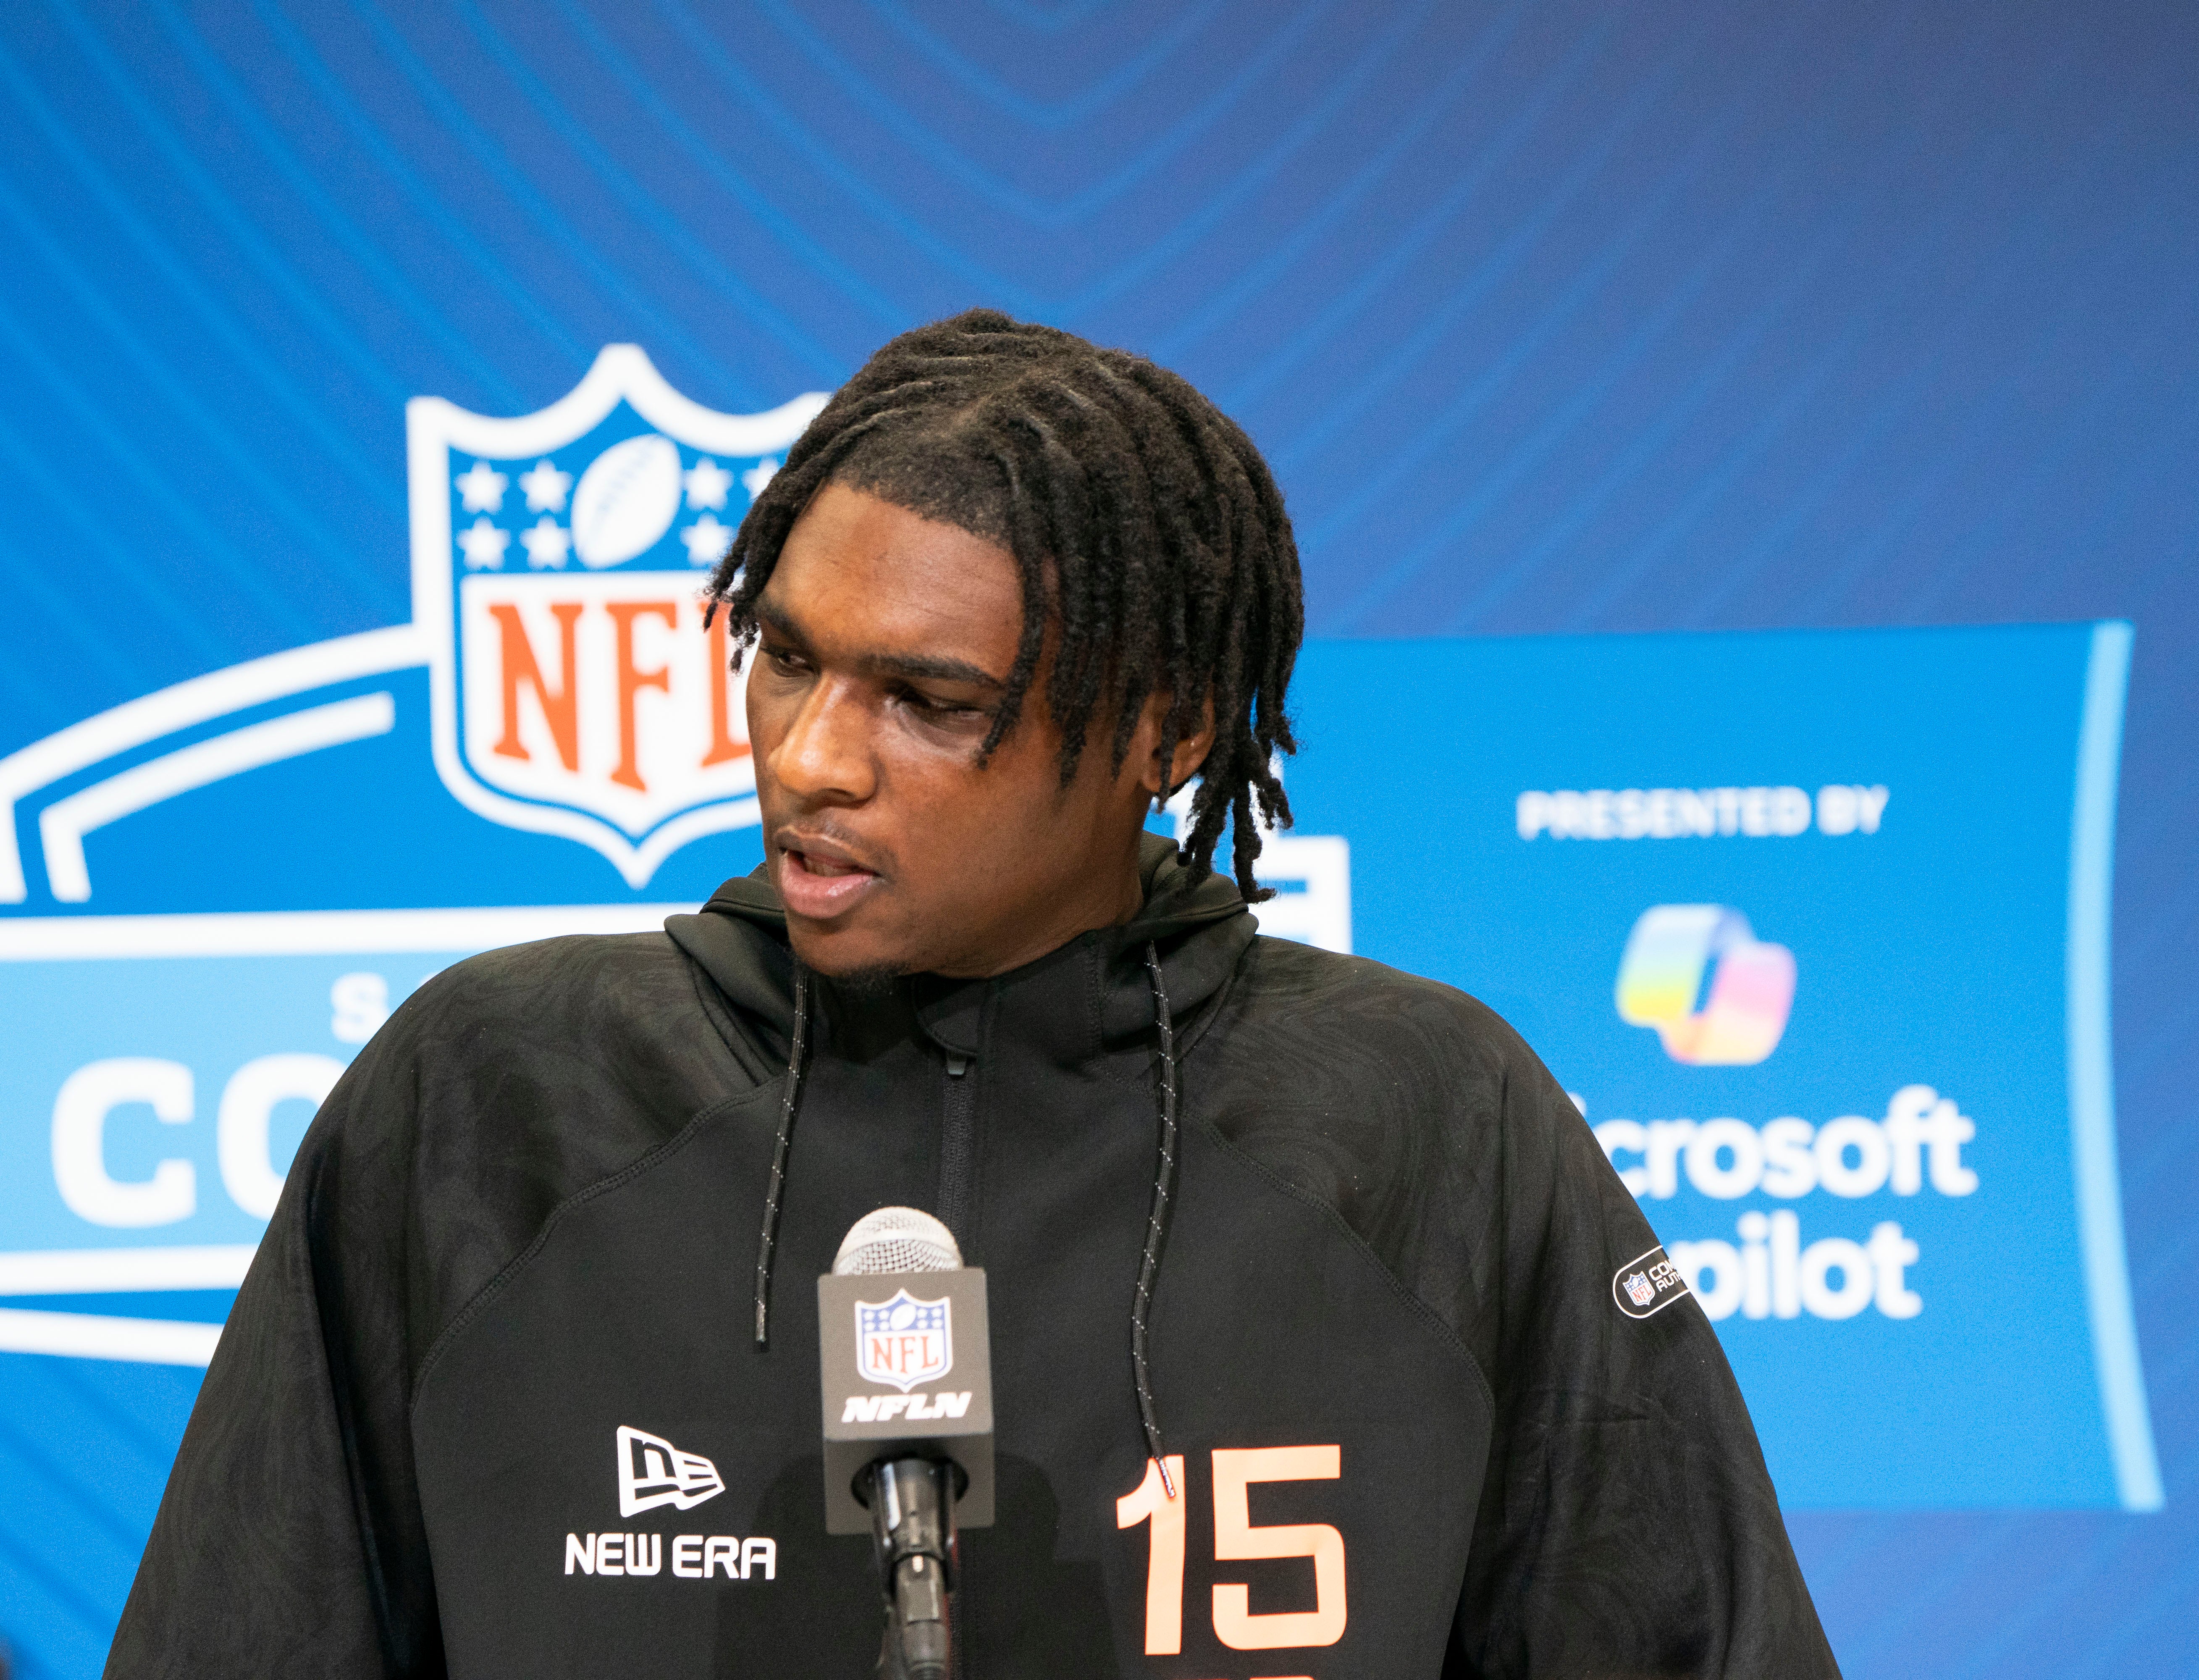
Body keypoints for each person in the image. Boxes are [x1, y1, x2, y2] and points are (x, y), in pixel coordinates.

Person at [106, 310, 1837, 1678]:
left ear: (1163, 732)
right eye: (784, 654)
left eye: (928, 699)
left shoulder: (1428, 1124)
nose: (812, 757)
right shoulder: (490, 1099)